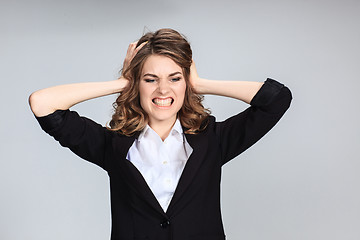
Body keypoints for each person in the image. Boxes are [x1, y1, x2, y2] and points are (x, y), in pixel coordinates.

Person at [29, 28, 292, 240]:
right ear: (137, 84)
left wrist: (199, 84)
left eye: (175, 78)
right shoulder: (112, 145)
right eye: (150, 79)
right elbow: (42, 104)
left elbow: (277, 99)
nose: (163, 90)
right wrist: (121, 83)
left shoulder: (213, 139)